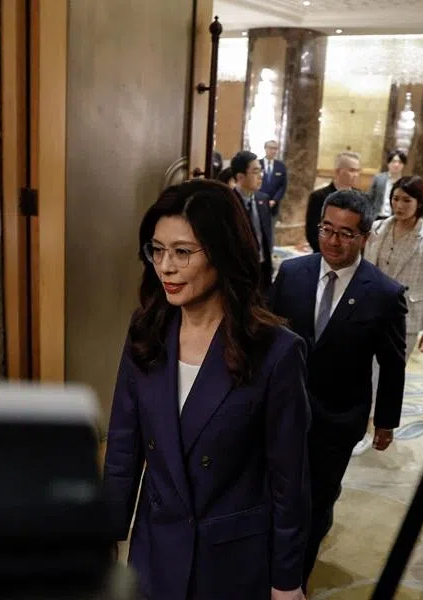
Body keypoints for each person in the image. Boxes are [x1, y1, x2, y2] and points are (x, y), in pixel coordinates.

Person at [102, 179, 311, 600]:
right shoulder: (146, 331)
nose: (165, 267)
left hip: (230, 560)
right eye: (157, 250)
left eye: (182, 252)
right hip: (155, 550)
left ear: (222, 252)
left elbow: (290, 480)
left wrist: (287, 581)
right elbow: (124, 446)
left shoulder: (275, 352)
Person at [270, 190, 407, 586]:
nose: (332, 240)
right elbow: (265, 334)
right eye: (326, 229)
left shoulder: (384, 293)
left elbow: (393, 363)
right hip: (281, 410)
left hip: (337, 418)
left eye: (346, 234)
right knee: (272, 494)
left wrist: (386, 421)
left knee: (314, 503)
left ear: (365, 237)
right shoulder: (292, 273)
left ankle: (293, 582)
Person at [365, 176, 423, 358]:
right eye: (395, 199)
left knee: (392, 370)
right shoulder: (377, 228)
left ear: (419, 203)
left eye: (407, 200)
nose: (399, 205)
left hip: (407, 316)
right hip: (372, 311)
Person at [231, 151, 274, 292]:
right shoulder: (228, 202)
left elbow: (266, 236)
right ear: (240, 177)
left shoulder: (263, 199)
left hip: (262, 267)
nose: (261, 176)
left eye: (261, 171)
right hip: (239, 272)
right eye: (255, 172)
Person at [305, 151, 361, 252]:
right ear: (338, 171)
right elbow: (312, 233)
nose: (356, 175)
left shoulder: (361, 197)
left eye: (358, 171)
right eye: (352, 170)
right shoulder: (319, 196)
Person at [367, 150, 407, 221]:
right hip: (376, 217)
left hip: (394, 219)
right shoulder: (378, 178)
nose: (396, 165)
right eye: (394, 161)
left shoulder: (405, 182)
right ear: (388, 163)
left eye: (400, 162)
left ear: (403, 165)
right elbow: (370, 198)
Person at [259, 140, 287, 221]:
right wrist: (260, 198)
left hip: (273, 205)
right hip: (258, 202)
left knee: (271, 226)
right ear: (265, 148)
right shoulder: (257, 164)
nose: (273, 151)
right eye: (271, 148)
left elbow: (283, 186)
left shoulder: (281, 166)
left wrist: (274, 200)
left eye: (275, 149)